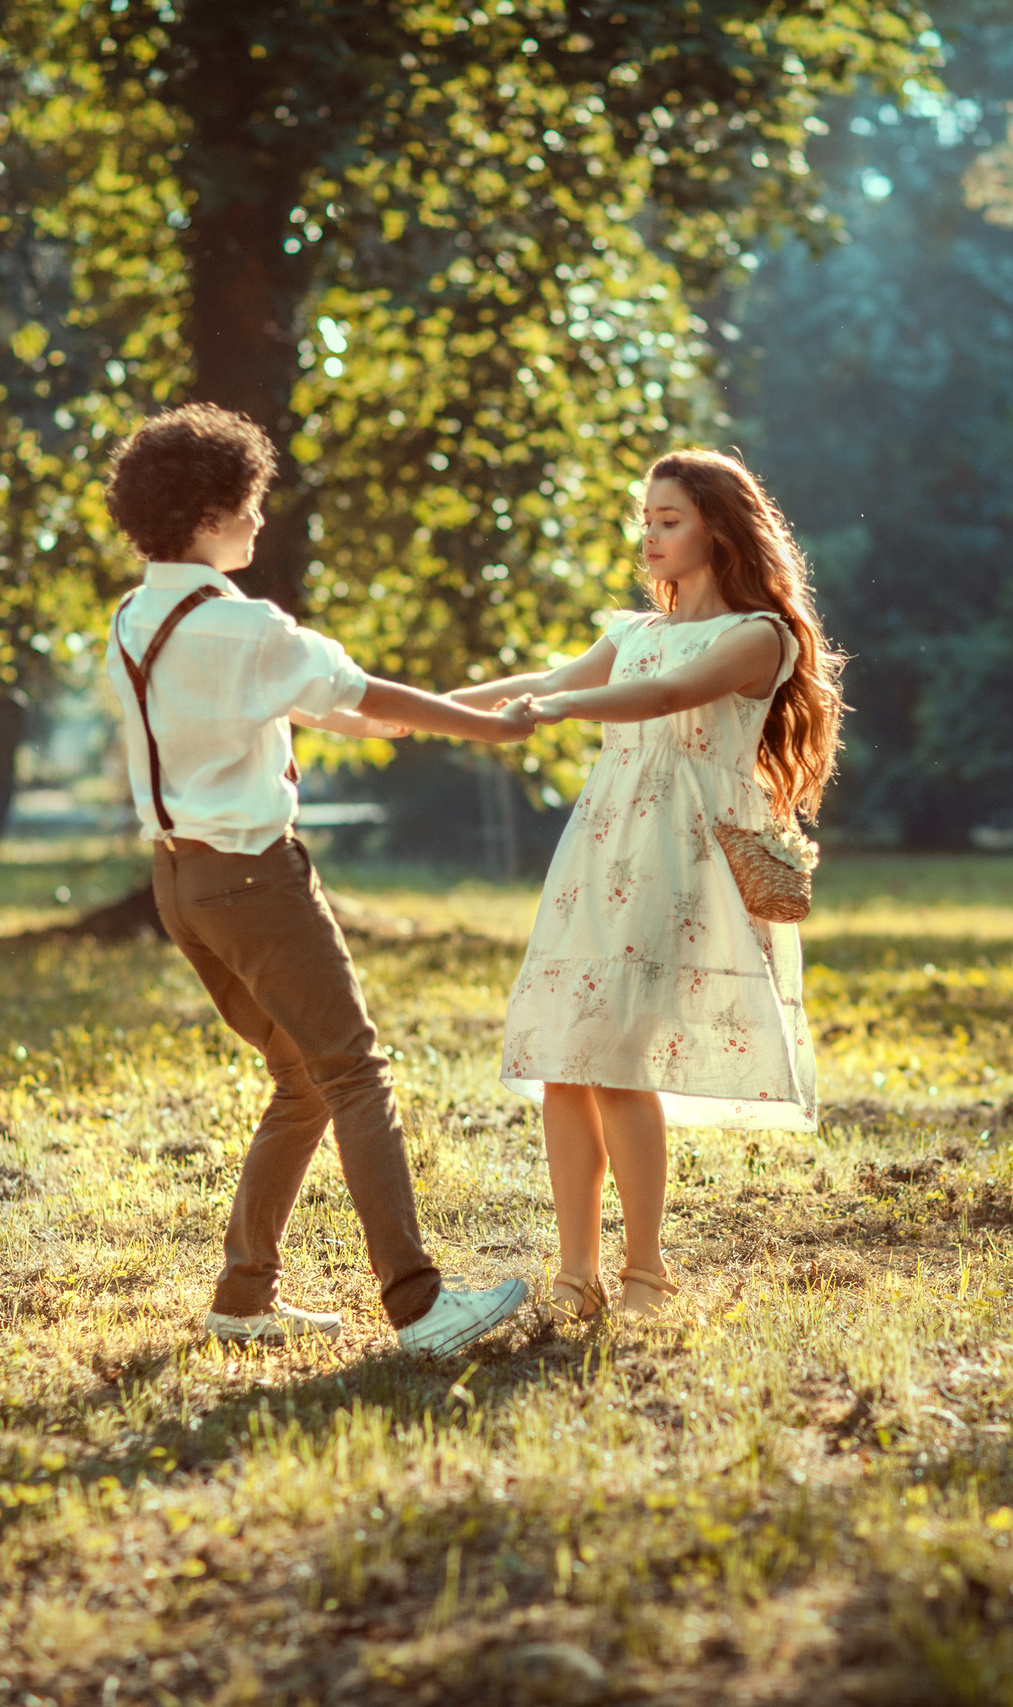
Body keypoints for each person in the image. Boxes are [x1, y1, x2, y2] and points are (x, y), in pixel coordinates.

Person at [102, 401, 533, 1358]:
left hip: (184, 890)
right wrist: (495, 728)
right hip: (257, 884)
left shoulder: (136, 618)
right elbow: (363, 693)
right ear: (212, 514)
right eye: (251, 504)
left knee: (299, 1077)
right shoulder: (247, 626)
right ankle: (421, 1306)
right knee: (354, 1071)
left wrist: (455, 709)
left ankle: (243, 1297)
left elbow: (349, 712)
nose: (261, 520)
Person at [456, 448, 843, 1322]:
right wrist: (416, 706)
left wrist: (556, 710)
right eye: (647, 520)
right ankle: (573, 1273)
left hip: (680, 859)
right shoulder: (632, 632)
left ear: (718, 525)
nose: (651, 537)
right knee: (566, 1054)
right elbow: (543, 684)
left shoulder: (758, 636)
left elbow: (667, 696)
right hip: (599, 850)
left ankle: (644, 1271)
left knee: (621, 1053)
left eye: (670, 520)